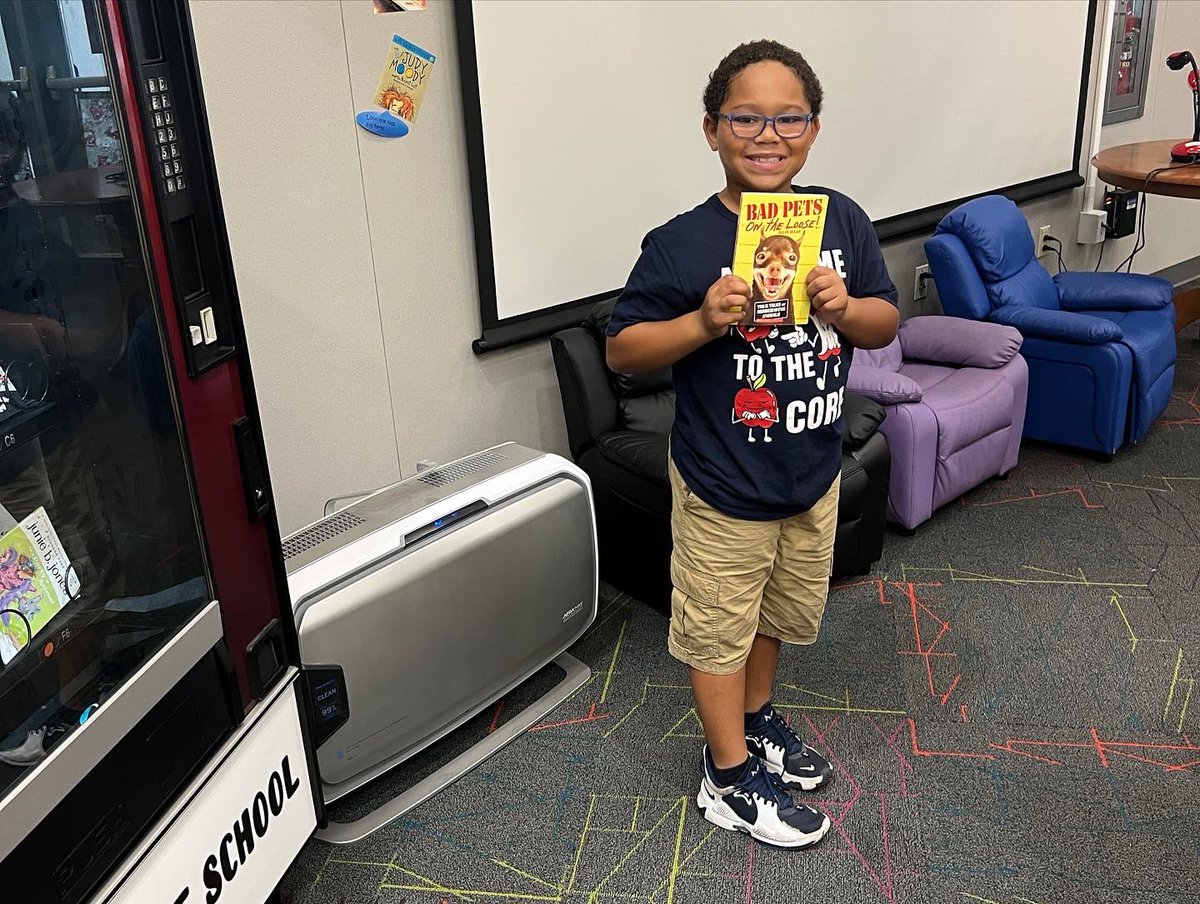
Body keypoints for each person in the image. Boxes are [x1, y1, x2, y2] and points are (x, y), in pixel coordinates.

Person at [605, 40, 899, 849]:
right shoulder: (680, 242)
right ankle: (727, 778)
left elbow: (887, 321)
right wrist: (701, 322)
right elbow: (623, 352)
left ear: (812, 128)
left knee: (775, 615)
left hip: (811, 472)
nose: (767, 136)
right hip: (723, 482)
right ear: (711, 130)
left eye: (788, 118)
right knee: (717, 629)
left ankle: (757, 720)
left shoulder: (838, 218)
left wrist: (842, 308)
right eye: (745, 118)